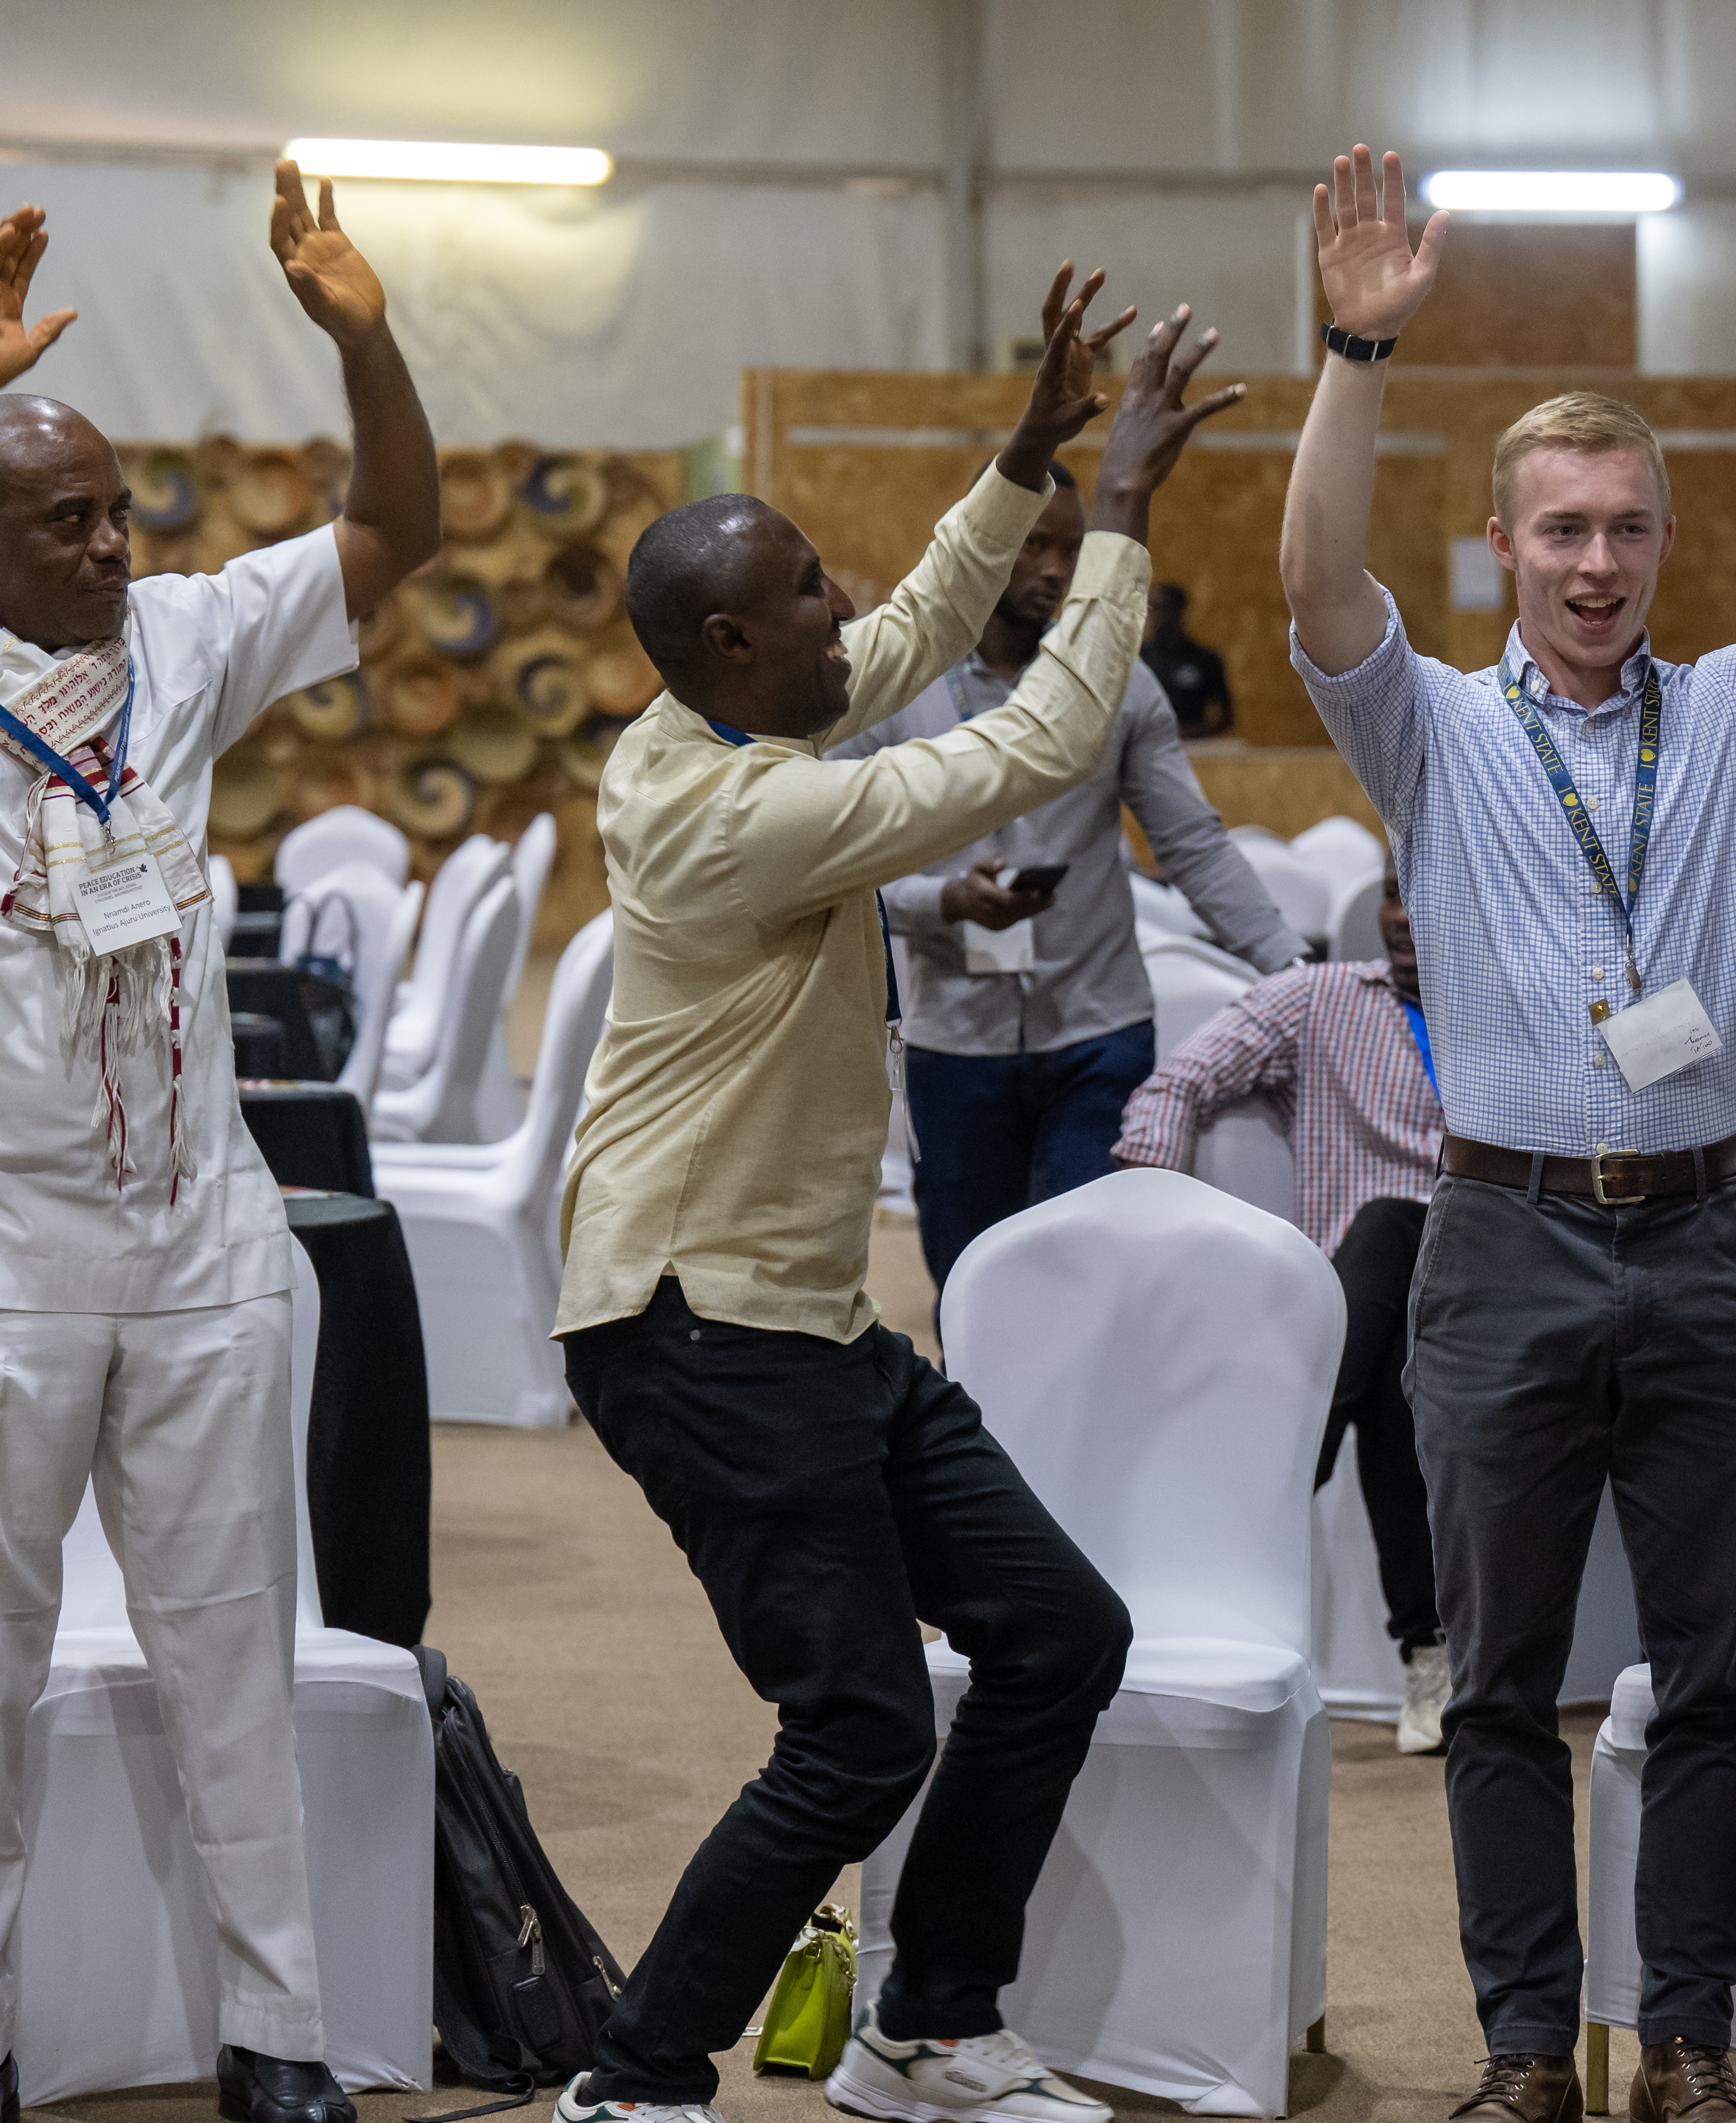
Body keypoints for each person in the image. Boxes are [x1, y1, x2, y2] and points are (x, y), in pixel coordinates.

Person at [1280, 133, 1736, 2123]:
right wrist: (1353, 355)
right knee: (1495, 1682)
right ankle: (1515, 2052)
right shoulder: (1435, 728)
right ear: (1504, 547)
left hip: (1708, 1232)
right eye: (1559, 528)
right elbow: (1312, 581)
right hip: (1496, 1237)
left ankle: (1683, 2041)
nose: (1592, 563)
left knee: (1711, 1676)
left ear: (1660, 545)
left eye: (1625, 530)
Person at [549, 277, 1240, 2123]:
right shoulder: (729, 811)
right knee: (855, 1723)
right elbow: (1024, 749)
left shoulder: (748, 721)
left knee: (1057, 1632)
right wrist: (1121, 518)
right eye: (799, 594)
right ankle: (634, 2079)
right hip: (693, 1324)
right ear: (720, 638)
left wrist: (1029, 450)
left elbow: (919, 616)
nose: (840, 607)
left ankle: (932, 2021)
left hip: (810, 1323)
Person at [0, 173, 438, 2123]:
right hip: (7, 1257)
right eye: (62, 519)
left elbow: (394, 530)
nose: (111, 543)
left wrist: (359, 333)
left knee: (231, 1648)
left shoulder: (185, 640)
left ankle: (278, 2039)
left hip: (201, 1242)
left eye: (117, 509)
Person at [833, 476, 1297, 1292]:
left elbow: (1191, 842)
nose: (1056, 569)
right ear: (980, 546)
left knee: (1085, 1283)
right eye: (1032, 545)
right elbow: (830, 861)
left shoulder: (1115, 675)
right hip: (956, 1043)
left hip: (1099, 1033)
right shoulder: (889, 676)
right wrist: (942, 901)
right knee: (973, 1289)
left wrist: (1297, 976)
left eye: (1073, 548)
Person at [1111, 862, 1449, 1752]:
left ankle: (1250, 1513)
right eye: (1390, 890)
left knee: (1397, 1230)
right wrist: (1153, 1212)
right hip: (1356, 1306)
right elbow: (1180, 1084)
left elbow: (1655, 1101)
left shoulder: (1523, 1011)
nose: (1404, 917)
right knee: (1386, 1306)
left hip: (1479, 1288)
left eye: (1430, 891)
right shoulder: (1320, 999)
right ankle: (1431, 1654)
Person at [1146, 580, 1233, 738]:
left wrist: (1189, 733)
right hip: (1146, 745)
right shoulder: (1139, 660)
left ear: (1180, 611)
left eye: (1164, 608)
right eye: (1153, 608)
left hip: (1193, 748)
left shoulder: (1205, 660)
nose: (1156, 615)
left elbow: (1226, 718)